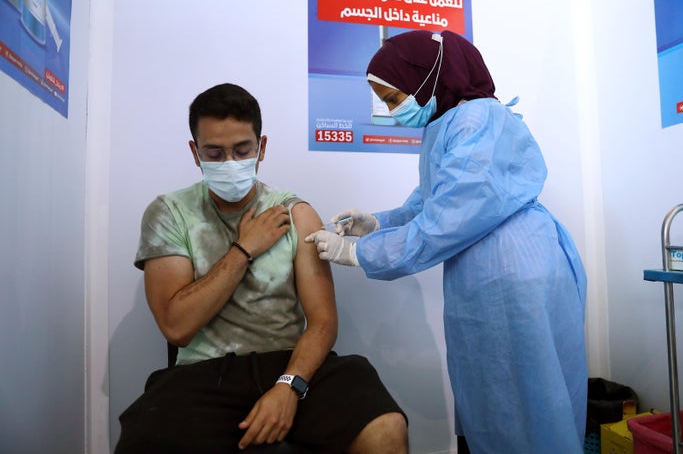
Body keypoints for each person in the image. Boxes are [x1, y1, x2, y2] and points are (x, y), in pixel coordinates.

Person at [305, 30, 588, 453]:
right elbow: (430, 203)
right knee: (500, 398)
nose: (390, 109)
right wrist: (375, 223)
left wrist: (359, 252)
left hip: (512, 272)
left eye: (391, 97)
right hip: (493, 271)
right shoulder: (450, 124)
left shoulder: (479, 119)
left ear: (425, 77)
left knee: (523, 402)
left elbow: (447, 220)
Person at [115, 83, 408, 454]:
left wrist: (288, 386)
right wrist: (243, 249)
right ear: (195, 153)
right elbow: (177, 326)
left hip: (288, 364)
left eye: (242, 150)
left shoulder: (295, 213)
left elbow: (322, 321)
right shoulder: (169, 213)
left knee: (385, 426)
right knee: (145, 438)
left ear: (261, 148)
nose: (229, 162)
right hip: (205, 375)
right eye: (214, 153)